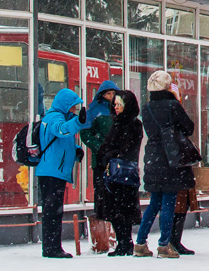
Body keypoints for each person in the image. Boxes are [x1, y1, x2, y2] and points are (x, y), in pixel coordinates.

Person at [134, 70, 195, 258]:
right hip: (171, 157)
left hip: (153, 156)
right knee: (169, 201)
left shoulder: (147, 108)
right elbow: (189, 128)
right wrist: (176, 101)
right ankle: (164, 245)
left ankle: (140, 243)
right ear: (168, 87)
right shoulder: (172, 105)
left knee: (154, 202)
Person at [36, 87, 89, 258]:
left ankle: (51, 246)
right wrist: (77, 123)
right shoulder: (54, 118)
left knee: (53, 210)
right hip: (52, 172)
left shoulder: (55, 117)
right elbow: (61, 130)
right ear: (66, 105)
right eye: (73, 106)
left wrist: (75, 150)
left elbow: (60, 143)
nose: (75, 110)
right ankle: (52, 248)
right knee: (53, 211)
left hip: (52, 171)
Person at [95, 90, 143, 257]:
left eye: (119, 104)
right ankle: (123, 243)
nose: (115, 107)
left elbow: (125, 148)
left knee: (122, 209)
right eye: (114, 104)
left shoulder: (131, 124)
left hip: (122, 173)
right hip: (118, 173)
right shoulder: (118, 123)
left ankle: (125, 243)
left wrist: (108, 155)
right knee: (118, 209)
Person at [82, 78, 121, 253]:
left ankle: (113, 234)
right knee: (101, 195)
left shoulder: (119, 110)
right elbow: (86, 133)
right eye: (108, 93)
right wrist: (100, 148)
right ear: (101, 95)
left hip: (117, 161)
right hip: (101, 161)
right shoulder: (94, 111)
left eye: (113, 93)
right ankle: (102, 236)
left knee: (116, 196)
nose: (110, 96)